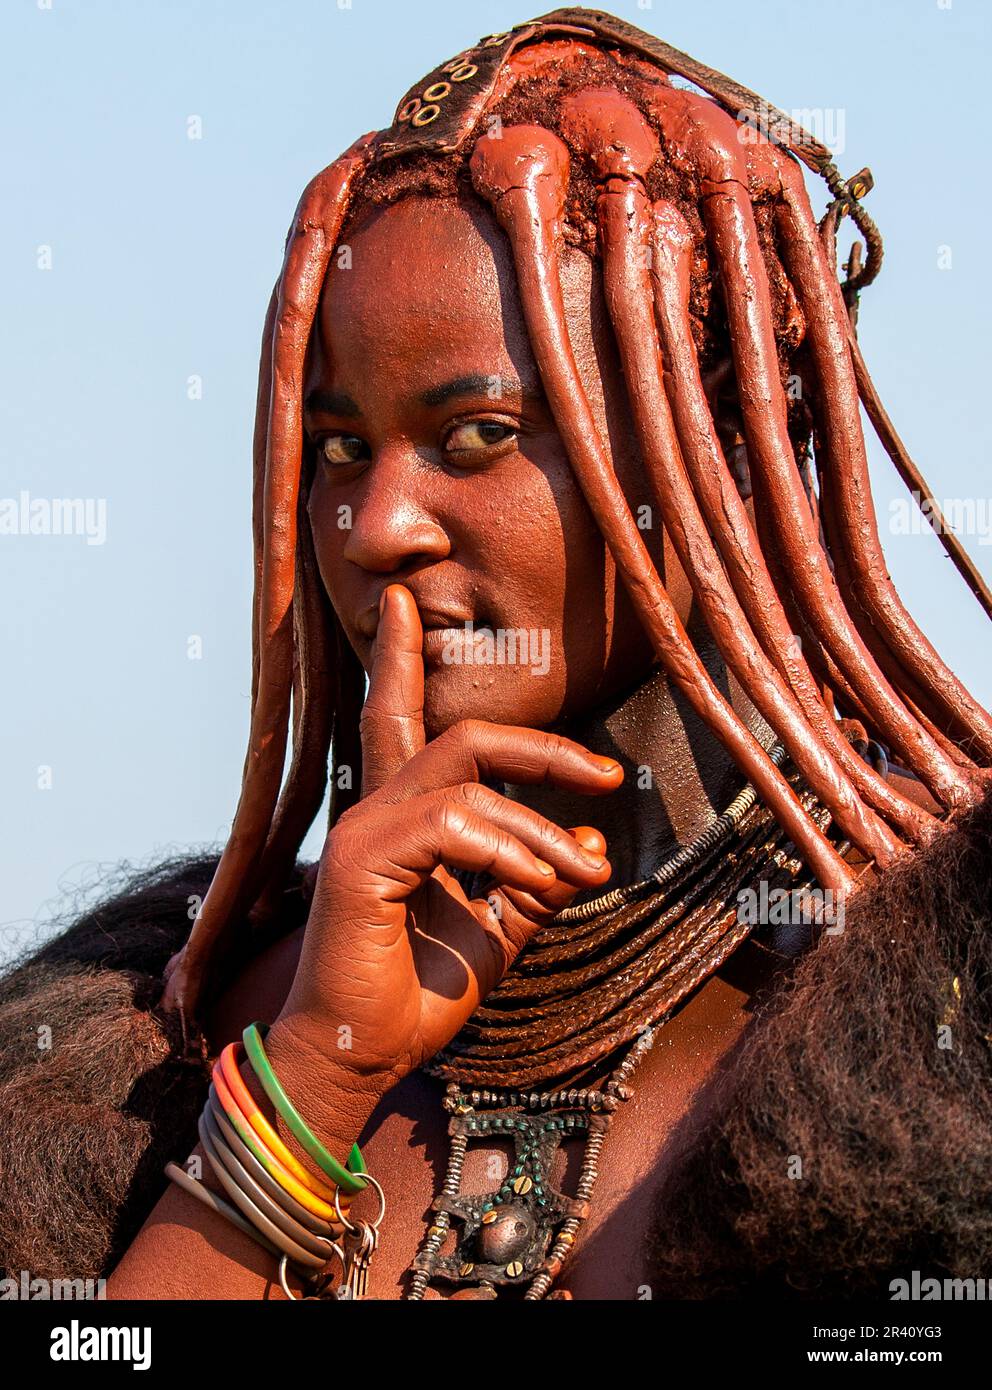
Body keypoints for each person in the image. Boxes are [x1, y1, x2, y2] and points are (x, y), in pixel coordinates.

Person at [2, 8, 991, 1302]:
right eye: (342, 447)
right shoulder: (186, 1024)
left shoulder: (933, 997)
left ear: (723, 452)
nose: (380, 523)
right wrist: (313, 1077)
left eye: (474, 433)